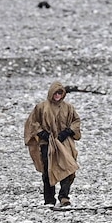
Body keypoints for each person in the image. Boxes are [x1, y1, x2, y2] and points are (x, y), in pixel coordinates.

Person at [25, 80, 81, 208]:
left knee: (68, 168)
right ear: (51, 93)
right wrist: (42, 133)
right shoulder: (41, 107)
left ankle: (64, 197)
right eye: (55, 93)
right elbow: (32, 123)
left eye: (60, 93)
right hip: (47, 143)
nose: (57, 95)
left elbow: (76, 121)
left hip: (65, 143)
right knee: (48, 170)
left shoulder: (68, 107)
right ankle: (49, 199)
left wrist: (68, 131)